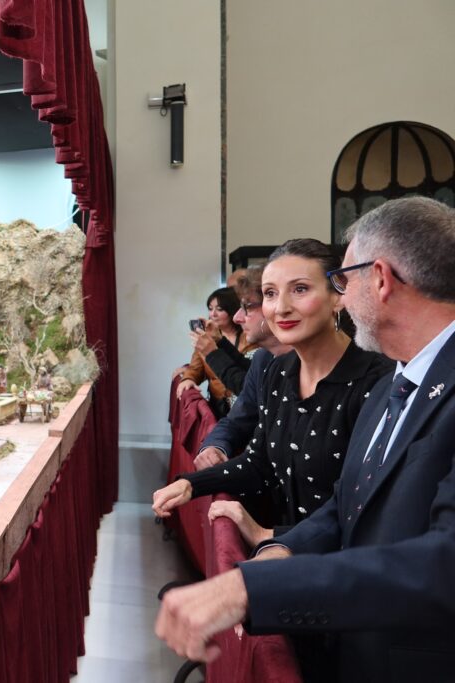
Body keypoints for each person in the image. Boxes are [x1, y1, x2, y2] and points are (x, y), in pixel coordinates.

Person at [155, 197, 455, 683]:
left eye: (344, 280)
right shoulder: (394, 384)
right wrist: (282, 552)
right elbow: (349, 503)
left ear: (379, 279)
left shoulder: (381, 381)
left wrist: (252, 589)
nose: (343, 295)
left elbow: (444, 563)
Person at [154, 239, 393, 547]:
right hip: (287, 552)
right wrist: (190, 484)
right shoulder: (278, 371)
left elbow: (364, 505)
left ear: (338, 296)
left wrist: (268, 536)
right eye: (270, 293)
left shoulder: (378, 380)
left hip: (342, 563)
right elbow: (259, 462)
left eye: (300, 289)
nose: (281, 308)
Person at [193, 267, 294, 470]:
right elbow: (239, 416)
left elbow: (240, 381)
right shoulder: (264, 358)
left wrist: (213, 352)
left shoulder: (262, 350)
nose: (238, 317)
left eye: (246, 306)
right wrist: (215, 447)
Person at [177, 287, 256, 418]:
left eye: (219, 309)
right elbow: (195, 368)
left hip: (246, 405)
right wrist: (188, 378)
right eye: (210, 308)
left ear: (232, 310)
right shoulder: (206, 339)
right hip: (218, 406)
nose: (213, 314)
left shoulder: (251, 336)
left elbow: (250, 370)